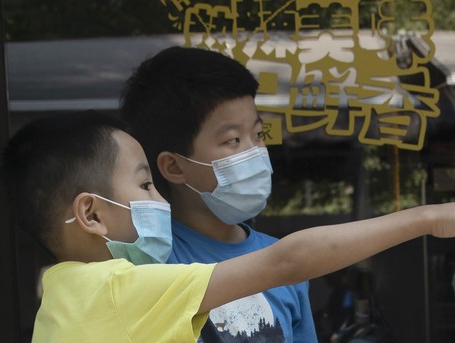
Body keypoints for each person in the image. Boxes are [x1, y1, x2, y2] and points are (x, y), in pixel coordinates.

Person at [1, 110, 455, 342]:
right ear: (90, 214)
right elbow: (288, 261)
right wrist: (430, 216)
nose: (159, 200)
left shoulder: (61, 292)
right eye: (145, 185)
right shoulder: (117, 290)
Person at [119, 46, 318, 342]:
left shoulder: (286, 260)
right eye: (233, 140)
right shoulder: (146, 262)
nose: (255, 152)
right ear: (174, 166)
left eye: (258, 135)